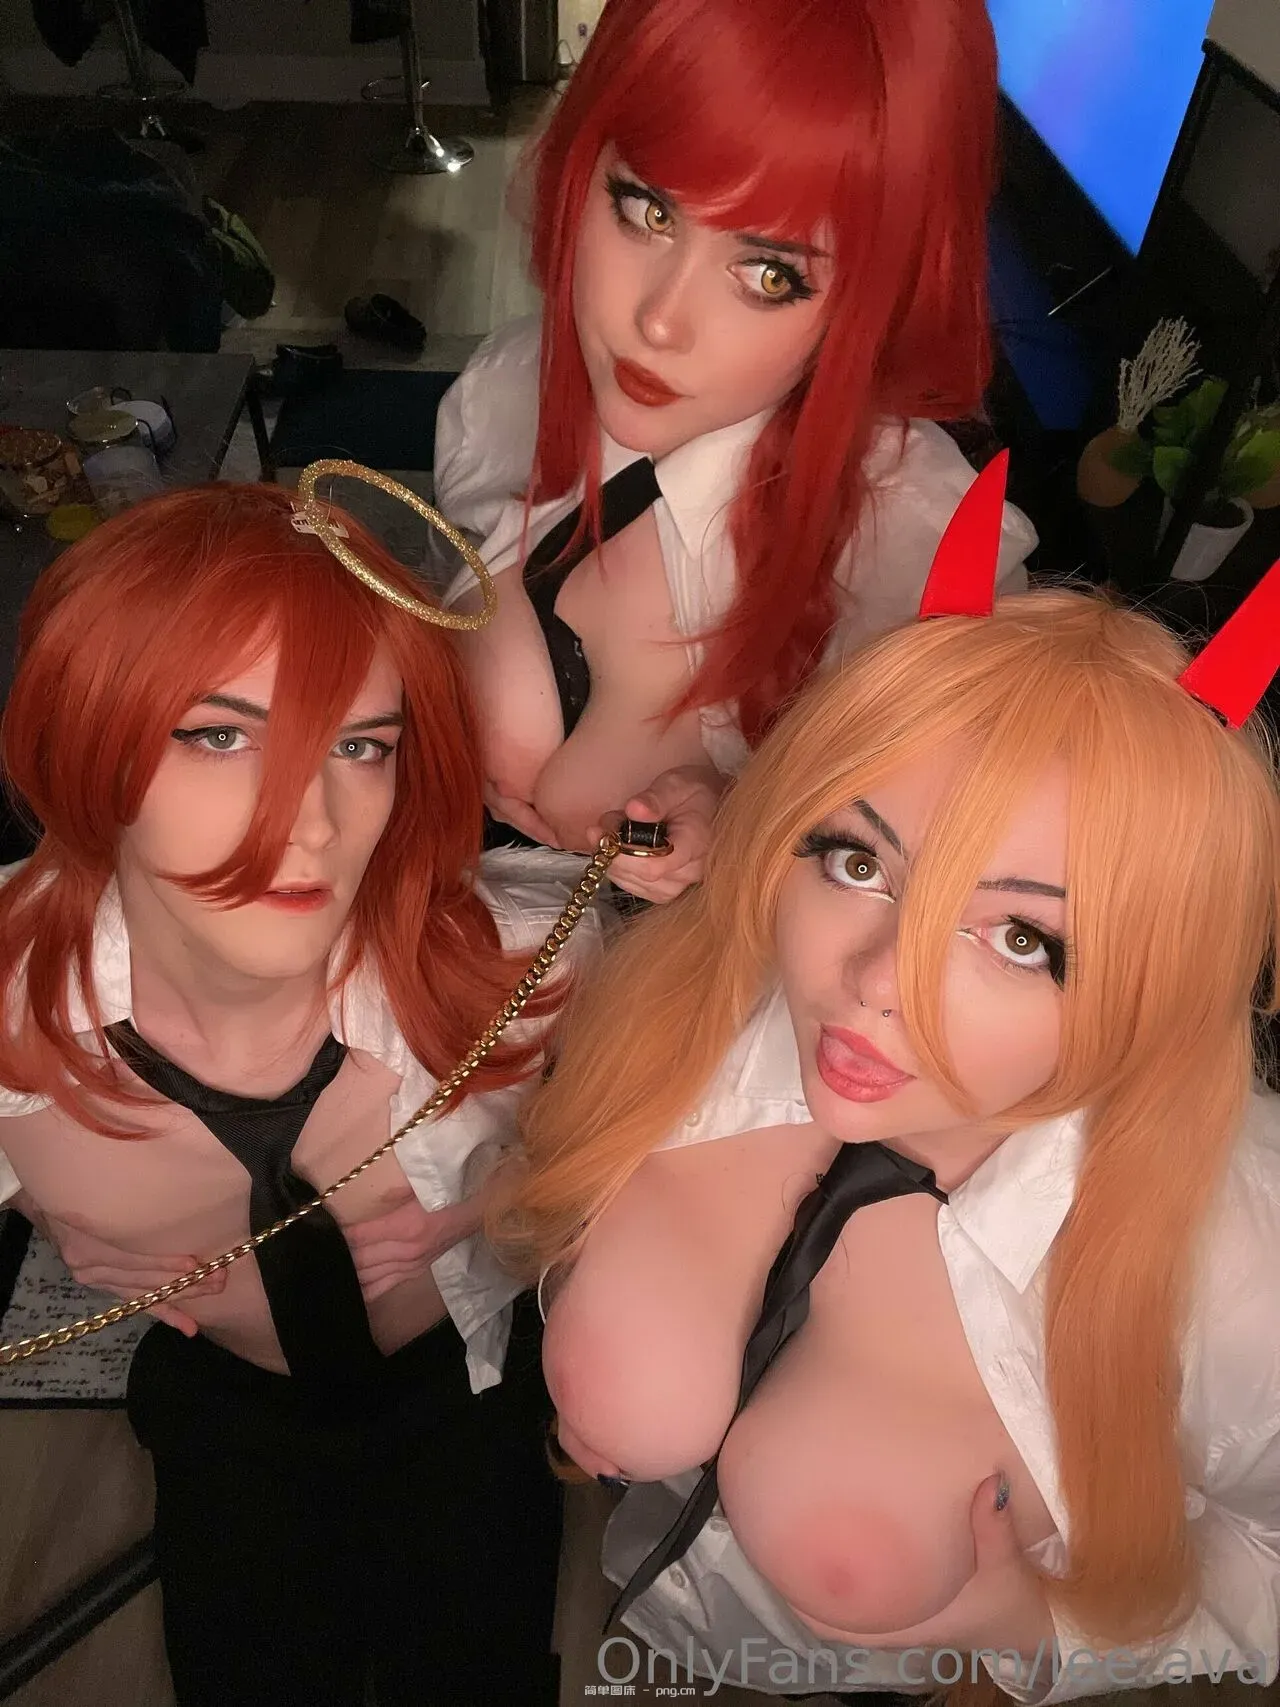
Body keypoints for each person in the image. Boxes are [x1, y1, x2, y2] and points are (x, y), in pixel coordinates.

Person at [490, 463, 1280, 1700]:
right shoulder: (706, 1004)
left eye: (1019, 938)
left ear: (1158, 977)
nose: (874, 983)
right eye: (857, 861)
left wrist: (1050, 1632)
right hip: (639, 1624)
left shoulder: (1233, 1251)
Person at [0, 476, 602, 1707]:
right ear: (89, 734)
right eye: (219, 735)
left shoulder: (527, 959)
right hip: (227, 1407)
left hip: (469, 1393)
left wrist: (515, 1206)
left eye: (359, 746)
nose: (309, 823)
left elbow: (685, 1128)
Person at [432, 0, 1037, 904]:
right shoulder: (506, 391)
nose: (660, 321)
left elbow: (941, 895)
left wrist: (762, 831)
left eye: (769, 273)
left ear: (874, 293)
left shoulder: (923, 552)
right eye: (645, 210)